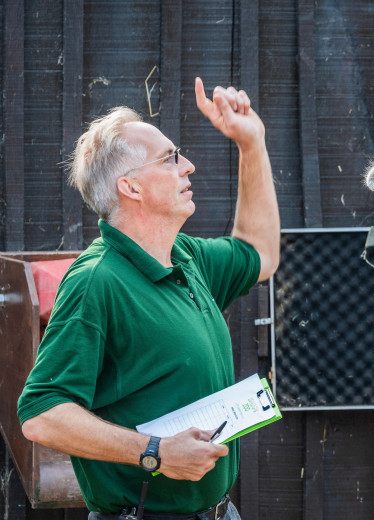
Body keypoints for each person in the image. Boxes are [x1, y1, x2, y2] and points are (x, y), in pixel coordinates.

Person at [17, 77, 280, 520]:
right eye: (170, 159)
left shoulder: (185, 255)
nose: (189, 166)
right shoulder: (96, 282)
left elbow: (260, 253)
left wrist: (252, 143)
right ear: (131, 188)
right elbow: (41, 413)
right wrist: (154, 452)